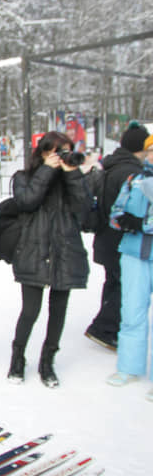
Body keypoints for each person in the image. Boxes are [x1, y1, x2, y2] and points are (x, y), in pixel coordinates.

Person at [6, 131, 89, 388]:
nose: (59, 156)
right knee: (30, 311)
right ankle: (17, 359)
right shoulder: (24, 177)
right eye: (54, 151)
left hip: (65, 252)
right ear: (41, 153)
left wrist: (72, 173)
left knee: (58, 312)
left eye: (64, 150)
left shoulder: (71, 179)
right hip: (34, 251)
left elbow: (85, 209)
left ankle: (47, 361)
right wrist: (45, 171)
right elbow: (27, 202)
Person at [85, 122, 149, 350]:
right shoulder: (130, 173)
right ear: (140, 148)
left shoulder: (111, 165)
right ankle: (104, 328)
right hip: (121, 239)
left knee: (113, 282)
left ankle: (109, 327)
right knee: (122, 284)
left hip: (105, 237)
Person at [105, 134, 153, 402]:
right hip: (134, 254)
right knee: (132, 311)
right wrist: (123, 221)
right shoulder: (134, 181)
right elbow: (115, 213)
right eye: (150, 151)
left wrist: (143, 224)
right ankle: (129, 367)